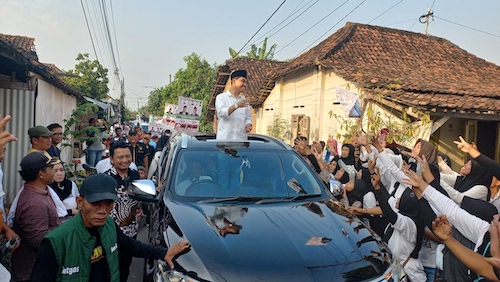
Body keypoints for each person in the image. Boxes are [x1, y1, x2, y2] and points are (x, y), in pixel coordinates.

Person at [30, 174, 190, 281]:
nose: (102, 210)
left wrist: (164, 252)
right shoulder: (55, 243)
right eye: (95, 203)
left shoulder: (108, 225)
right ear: (80, 202)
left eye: (108, 204)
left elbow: (130, 245)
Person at [11, 152, 62, 282]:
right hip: (32, 273)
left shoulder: (39, 193)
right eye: (51, 168)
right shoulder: (34, 203)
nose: (54, 171)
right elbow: (39, 240)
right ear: (41, 174)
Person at [104, 141, 141, 281]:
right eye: (120, 157)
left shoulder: (135, 175)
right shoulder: (106, 178)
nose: (125, 160)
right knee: (109, 266)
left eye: (128, 156)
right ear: (111, 159)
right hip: (111, 231)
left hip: (132, 231)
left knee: (125, 266)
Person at [215, 69, 253, 140]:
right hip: (225, 141)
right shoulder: (221, 97)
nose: (245, 84)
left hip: (240, 141)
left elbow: (248, 117)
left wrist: (248, 124)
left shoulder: (244, 101)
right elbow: (221, 113)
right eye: (243, 81)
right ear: (234, 81)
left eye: (245, 82)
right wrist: (236, 106)